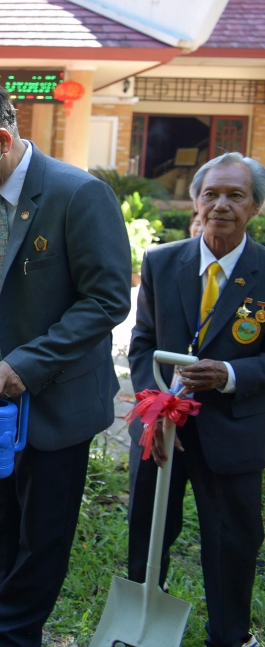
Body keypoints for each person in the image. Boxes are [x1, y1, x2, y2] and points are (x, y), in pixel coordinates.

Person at [0, 83, 131, 647]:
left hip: (56, 398)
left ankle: (12, 637)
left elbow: (108, 299)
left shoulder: (77, 194)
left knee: (41, 535)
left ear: (2, 140)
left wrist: (29, 361)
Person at [127, 152, 265, 647]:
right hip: (161, 432)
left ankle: (230, 635)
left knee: (233, 542)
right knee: (148, 531)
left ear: (256, 206)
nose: (221, 205)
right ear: (196, 202)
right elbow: (142, 342)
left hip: (233, 434)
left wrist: (229, 372)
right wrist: (152, 408)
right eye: (211, 194)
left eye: (236, 195)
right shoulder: (162, 262)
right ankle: (143, 625)